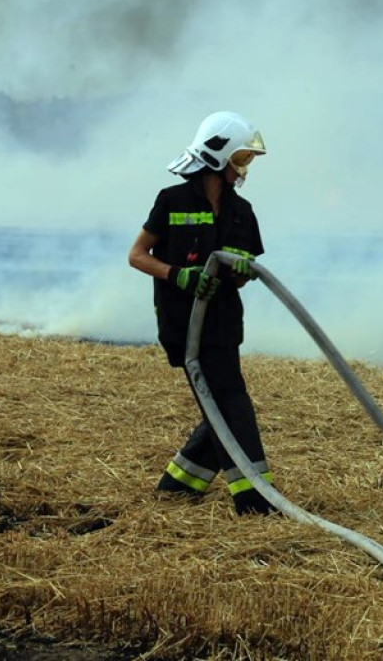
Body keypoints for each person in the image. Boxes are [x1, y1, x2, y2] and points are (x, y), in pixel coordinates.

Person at [128, 111, 275, 516]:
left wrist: (243, 272)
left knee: (223, 403)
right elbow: (137, 256)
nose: (244, 167)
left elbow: (243, 272)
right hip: (184, 327)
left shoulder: (242, 211)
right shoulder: (171, 200)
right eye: (240, 158)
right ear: (217, 155)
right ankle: (255, 500)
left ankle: (178, 486)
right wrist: (178, 276)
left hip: (225, 324)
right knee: (230, 403)